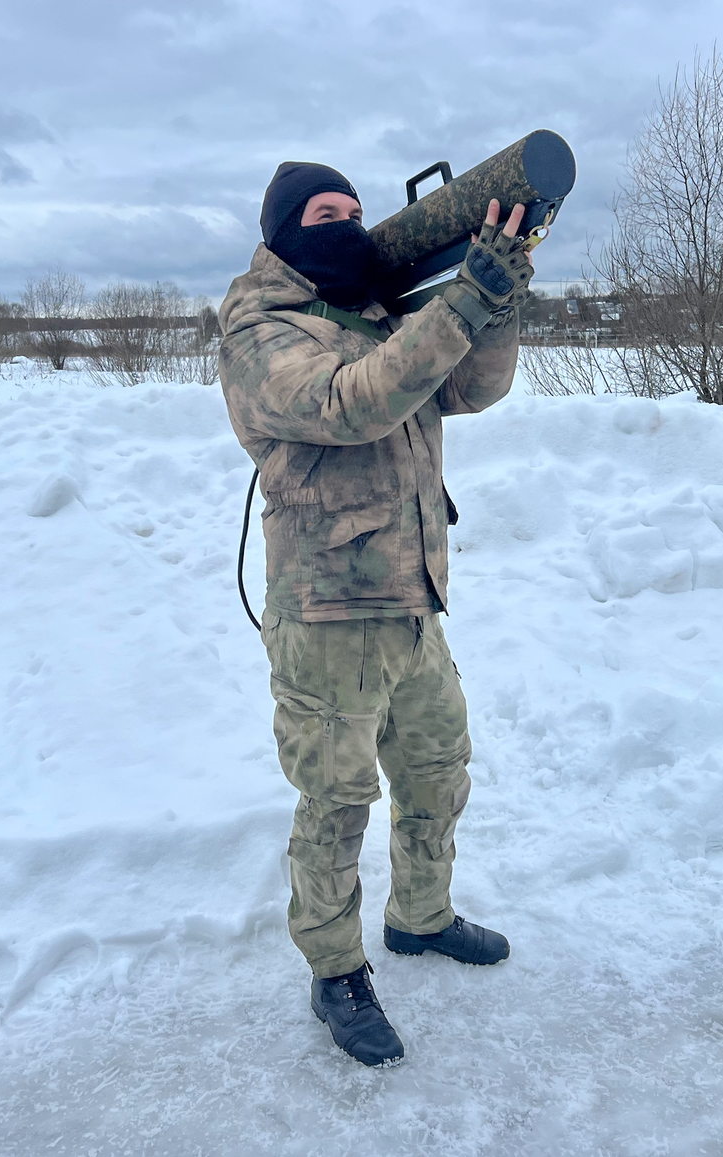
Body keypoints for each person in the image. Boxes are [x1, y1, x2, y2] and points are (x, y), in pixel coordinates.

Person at [217, 160, 533, 1066]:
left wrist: (496, 300)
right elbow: (354, 402)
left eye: (357, 211)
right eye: (326, 212)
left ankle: (420, 916)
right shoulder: (260, 329)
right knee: (337, 797)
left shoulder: (381, 314)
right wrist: (460, 303)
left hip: (412, 599)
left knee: (437, 766)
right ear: (284, 229)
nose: (349, 225)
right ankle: (334, 969)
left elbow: (471, 388)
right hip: (326, 612)